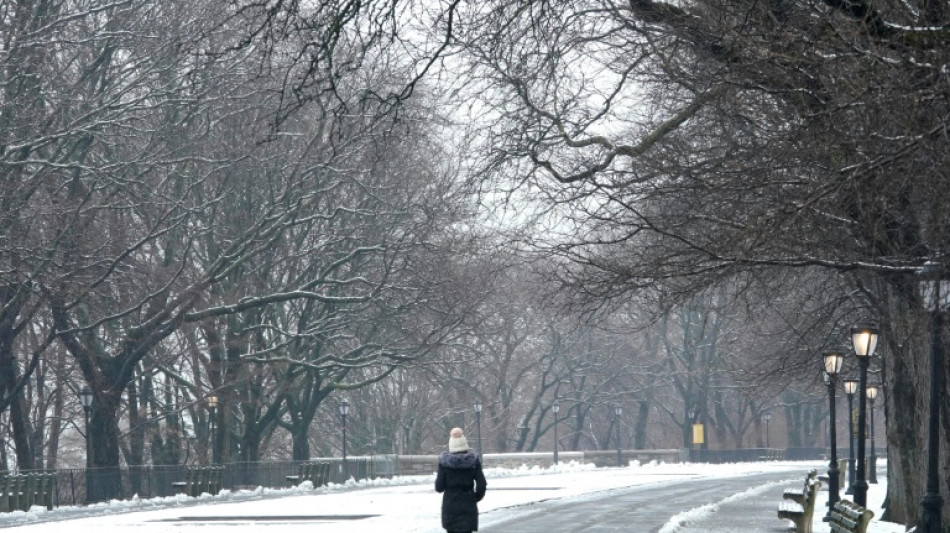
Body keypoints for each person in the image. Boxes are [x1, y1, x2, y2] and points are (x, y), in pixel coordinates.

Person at [435, 427, 487, 533]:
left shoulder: (444, 463)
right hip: (468, 504)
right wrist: (474, 497)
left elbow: (439, 487)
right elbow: (482, 484)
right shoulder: (473, 462)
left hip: (450, 506)